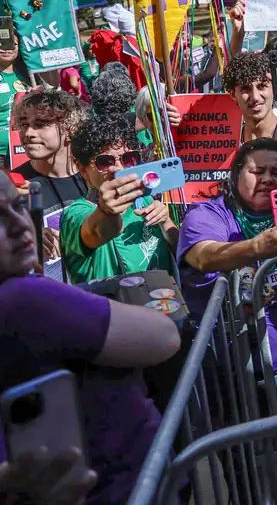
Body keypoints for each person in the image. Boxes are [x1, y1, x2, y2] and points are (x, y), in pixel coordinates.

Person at [0, 171, 182, 505]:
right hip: (120, 487)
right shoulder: (22, 300)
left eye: (17, 206)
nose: (19, 224)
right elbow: (165, 336)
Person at [177, 138, 277, 493]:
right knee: (246, 472)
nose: (268, 180)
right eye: (257, 171)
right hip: (230, 376)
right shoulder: (207, 215)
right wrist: (258, 247)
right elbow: (204, 255)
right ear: (236, 175)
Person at [60, 116, 177, 284]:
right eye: (104, 162)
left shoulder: (145, 200)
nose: (118, 168)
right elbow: (98, 232)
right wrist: (106, 211)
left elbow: (182, 253)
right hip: (110, 309)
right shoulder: (75, 214)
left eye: (128, 159)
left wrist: (165, 223)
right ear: (82, 170)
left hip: (164, 306)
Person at [11, 90, 90, 264]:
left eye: (40, 124)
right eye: (24, 124)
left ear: (71, 129)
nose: (29, 133)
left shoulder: (94, 175)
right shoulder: (12, 185)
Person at [0, 34, 31, 167]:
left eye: (13, 43)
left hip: (28, 153)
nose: (7, 48)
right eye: (2, 43)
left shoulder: (29, 75)